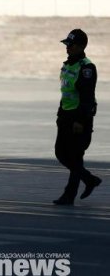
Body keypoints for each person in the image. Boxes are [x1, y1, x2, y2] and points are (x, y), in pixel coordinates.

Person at [53, 28, 102, 205]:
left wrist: (80, 121)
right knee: (61, 152)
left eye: (71, 45)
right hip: (65, 116)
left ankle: (69, 195)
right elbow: (66, 93)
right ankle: (89, 180)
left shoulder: (87, 68)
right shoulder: (67, 65)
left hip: (78, 118)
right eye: (67, 44)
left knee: (74, 156)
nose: (67, 48)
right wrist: (60, 113)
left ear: (81, 46)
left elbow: (87, 97)